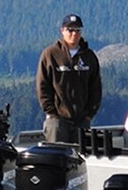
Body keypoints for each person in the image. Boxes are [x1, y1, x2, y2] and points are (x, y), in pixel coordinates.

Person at [37, 13, 102, 145]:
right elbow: (42, 86)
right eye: (70, 30)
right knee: (56, 159)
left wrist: (89, 115)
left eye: (77, 30)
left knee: (80, 160)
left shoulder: (89, 57)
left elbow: (96, 88)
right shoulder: (50, 54)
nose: (74, 34)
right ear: (62, 31)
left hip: (81, 122)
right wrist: (52, 112)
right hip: (57, 121)